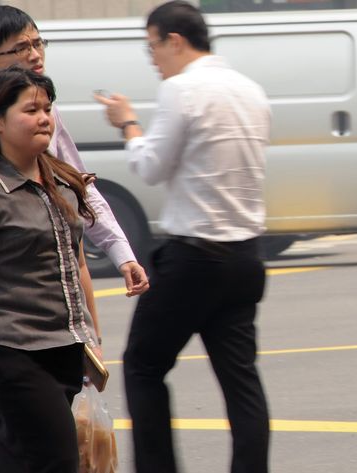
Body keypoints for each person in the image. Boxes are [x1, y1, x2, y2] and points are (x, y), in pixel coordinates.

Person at [93, 2, 272, 472]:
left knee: (143, 366)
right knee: (241, 383)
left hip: (194, 258)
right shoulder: (252, 91)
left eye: (152, 46)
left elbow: (150, 166)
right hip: (245, 258)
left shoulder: (181, 89)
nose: (152, 58)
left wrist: (128, 123)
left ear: (175, 40)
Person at [0, 5, 150, 298]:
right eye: (21, 47)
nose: (35, 53)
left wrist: (122, 254)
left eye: (38, 42)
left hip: (50, 284)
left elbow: (79, 187)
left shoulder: (49, 117)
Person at [0, 66, 100, 472]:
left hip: (65, 347)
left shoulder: (57, 177)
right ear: (0, 122)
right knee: (58, 459)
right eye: (30, 109)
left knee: (18, 458)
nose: (43, 118)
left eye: (47, 108)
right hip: (14, 349)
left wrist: (93, 340)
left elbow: (76, 263)